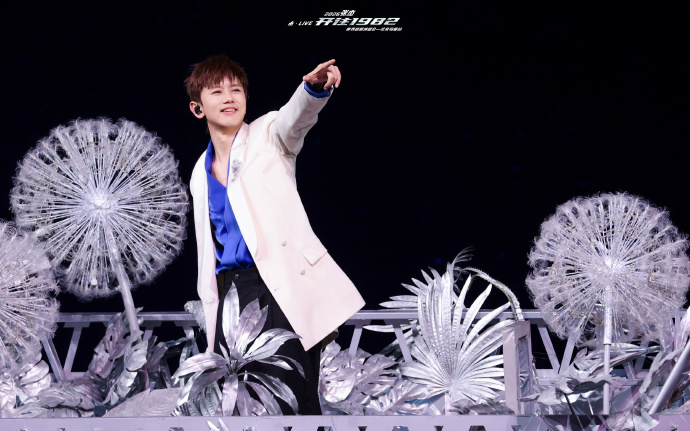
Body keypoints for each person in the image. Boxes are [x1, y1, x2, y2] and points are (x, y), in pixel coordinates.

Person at [186, 55, 365, 415]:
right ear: (197, 108)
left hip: (278, 287)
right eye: (217, 91)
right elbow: (209, 252)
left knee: (289, 398)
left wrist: (312, 90)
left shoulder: (267, 134)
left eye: (236, 89)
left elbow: (295, 118)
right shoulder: (198, 174)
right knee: (238, 405)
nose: (229, 97)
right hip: (233, 295)